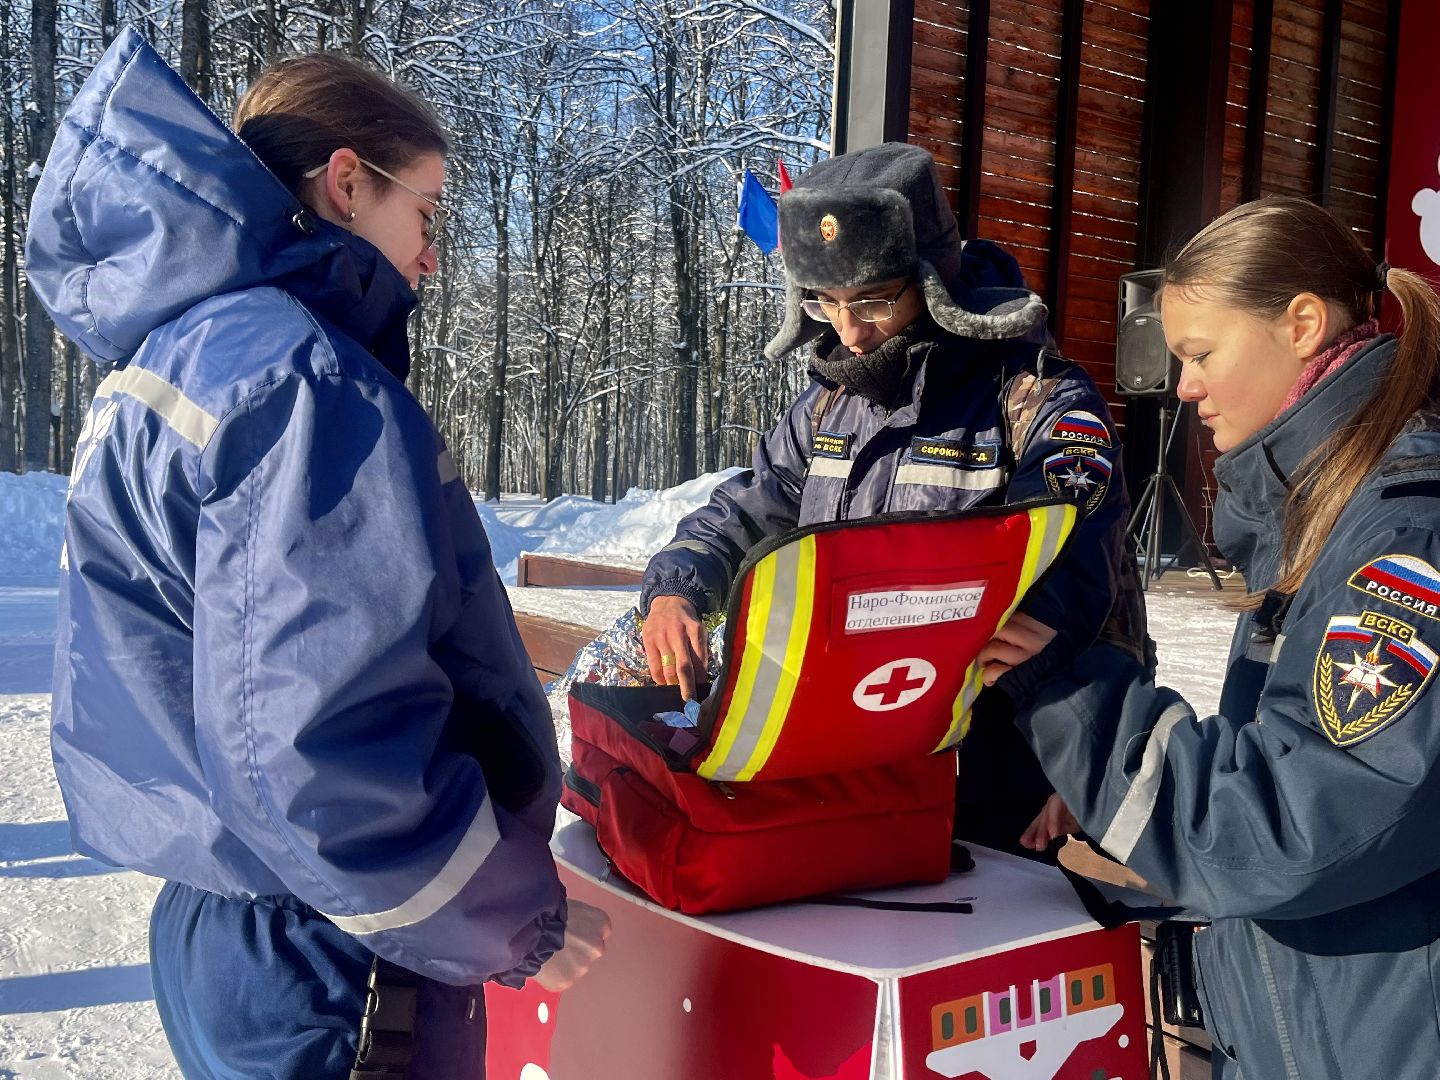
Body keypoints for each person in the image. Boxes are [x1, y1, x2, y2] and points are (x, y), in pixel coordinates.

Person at [26, 31, 606, 1080]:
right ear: (347, 183)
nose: (431, 256)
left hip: (221, 923)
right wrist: (514, 926)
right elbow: (318, 735)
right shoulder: (301, 378)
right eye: (424, 214)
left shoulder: (174, 356)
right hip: (336, 952)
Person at [1004, 195, 1440, 1078]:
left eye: (1202, 354)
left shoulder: (1402, 540)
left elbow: (1300, 818)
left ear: (1303, 324)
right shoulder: (1325, 506)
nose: (1184, 385)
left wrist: (1082, 707)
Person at [639, 142, 1145, 853]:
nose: (848, 329)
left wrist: (1065, 712)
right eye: (826, 302)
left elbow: (1086, 565)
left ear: (934, 280)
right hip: (838, 762)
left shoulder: (1037, 398)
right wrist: (678, 589)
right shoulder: (826, 405)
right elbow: (749, 508)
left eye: (874, 300)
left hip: (986, 775)